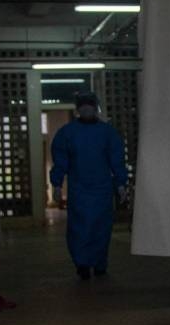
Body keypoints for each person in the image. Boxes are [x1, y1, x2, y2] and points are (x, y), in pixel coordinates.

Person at [49, 92, 128, 280]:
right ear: (78, 109)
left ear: (95, 108)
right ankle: (82, 264)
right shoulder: (67, 133)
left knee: (101, 228)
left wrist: (121, 184)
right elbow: (60, 161)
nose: (86, 109)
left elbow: (117, 160)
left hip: (102, 189)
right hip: (79, 189)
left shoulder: (107, 133)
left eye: (89, 105)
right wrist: (57, 184)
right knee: (79, 229)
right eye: (83, 106)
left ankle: (100, 263)